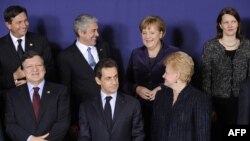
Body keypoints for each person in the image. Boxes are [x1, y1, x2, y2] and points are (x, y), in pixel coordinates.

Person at [57, 14, 112, 140]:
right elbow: (66, 92)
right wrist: (72, 122)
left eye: (97, 30)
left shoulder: (104, 47)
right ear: (81, 32)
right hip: (84, 116)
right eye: (93, 31)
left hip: (109, 112)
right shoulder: (65, 57)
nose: (97, 34)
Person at [126, 15, 179, 140]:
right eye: (144, 33)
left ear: (161, 34)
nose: (147, 36)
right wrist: (137, 88)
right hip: (140, 110)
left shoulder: (174, 53)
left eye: (151, 32)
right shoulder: (136, 53)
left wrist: (161, 89)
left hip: (167, 108)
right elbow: (126, 81)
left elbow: (183, 80)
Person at [201, 7, 250, 140]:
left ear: (238, 24)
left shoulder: (247, 46)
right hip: (218, 104)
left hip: (242, 105)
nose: (230, 25)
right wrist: (209, 107)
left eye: (233, 21)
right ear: (220, 25)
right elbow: (206, 80)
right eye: (226, 22)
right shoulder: (210, 46)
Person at [5, 50, 70, 141]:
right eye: (29, 66)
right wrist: (30, 139)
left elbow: (63, 122)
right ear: (23, 71)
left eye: (39, 65)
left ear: (45, 68)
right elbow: (10, 125)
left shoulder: (60, 91)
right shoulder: (12, 95)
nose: (35, 69)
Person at [78, 58, 144, 141]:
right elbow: (84, 137)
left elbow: (138, 136)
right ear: (98, 80)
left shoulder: (133, 104)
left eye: (115, 77)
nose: (114, 82)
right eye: (108, 78)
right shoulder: (86, 107)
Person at [151, 51, 211, 141]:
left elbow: (202, 136)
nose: (163, 75)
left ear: (177, 75)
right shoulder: (160, 95)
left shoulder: (199, 99)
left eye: (166, 72)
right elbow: (154, 131)